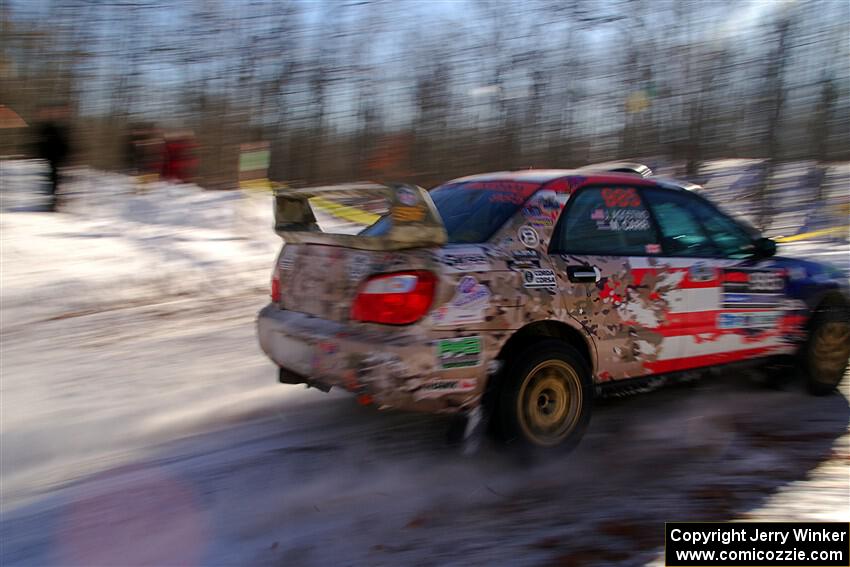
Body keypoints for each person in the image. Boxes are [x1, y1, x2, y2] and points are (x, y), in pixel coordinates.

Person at [36, 110, 70, 211]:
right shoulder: (56, 130)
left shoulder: (52, 130)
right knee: (54, 181)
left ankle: (53, 201)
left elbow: (60, 145)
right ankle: (53, 202)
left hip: (53, 159)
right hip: (54, 159)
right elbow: (61, 145)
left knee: (53, 181)